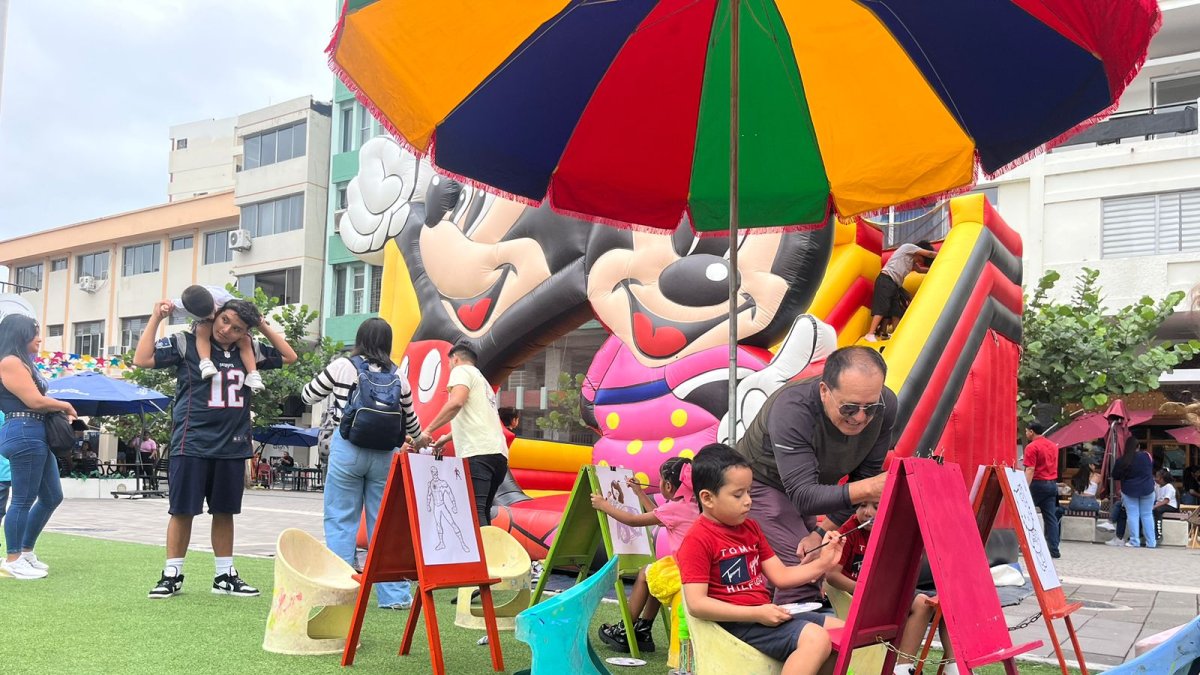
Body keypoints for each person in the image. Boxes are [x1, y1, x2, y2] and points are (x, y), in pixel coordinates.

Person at [134, 297, 295, 599]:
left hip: (232, 443)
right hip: (191, 440)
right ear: (215, 315)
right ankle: (172, 573)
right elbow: (142, 360)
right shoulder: (186, 342)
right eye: (225, 321)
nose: (227, 330)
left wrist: (260, 323)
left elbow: (289, 356)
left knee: (225, 511)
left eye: (237, 328)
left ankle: (224, 574)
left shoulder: (249, 350)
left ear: (245, 332)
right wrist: (156, 317)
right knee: (182, 510)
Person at [734, 346, 892, 606]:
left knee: (811, 554)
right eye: (850, 407)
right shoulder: (791, 407)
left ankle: (771, 630)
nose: (861, 417)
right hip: (760, 483)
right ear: (824, 391)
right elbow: (805, 496)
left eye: (871, 407)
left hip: (812, 486)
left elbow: (860, 483)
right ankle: (804, 639)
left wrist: (820, 531)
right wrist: (870, 487)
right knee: (801, 572)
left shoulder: (887, 406)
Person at [678, 444, 845, 675]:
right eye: (738, 494)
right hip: (737, 624)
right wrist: (756, 613)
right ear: (707, 498)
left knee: (844, 632)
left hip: (762, 616)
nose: (748, 501)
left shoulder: (750, 528)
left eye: (749, 491)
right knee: (816, 638)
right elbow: (697, 604)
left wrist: (825, 562)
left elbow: (782, 576)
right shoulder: (697, 539)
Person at [301, 317, 423, 610]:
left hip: (348, 448)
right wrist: (420, 441)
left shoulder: (344, 365)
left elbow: (308, 395)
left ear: (360, 338)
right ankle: (393, 595)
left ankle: (342, 590)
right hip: (385, 453)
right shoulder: (398, 375)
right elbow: (411, 421)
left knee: (341, 518)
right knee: (381, 523)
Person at [826, 501, 957, 675]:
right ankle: (903, 667)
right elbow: (832, 576)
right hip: (859, 598)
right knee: (922, 603)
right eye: (862, 506)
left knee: (943, 603)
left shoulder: (889, 530)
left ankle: (953, 666)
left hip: (883, 594)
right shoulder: (850, 531)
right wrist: (865, 589)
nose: (867, 512)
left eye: (875, 506)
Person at [591, 457, 697, 654]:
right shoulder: (693, 503)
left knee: (644, 574)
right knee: (655, 574)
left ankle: (624, 629)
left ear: (667, 485)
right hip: (693, 565)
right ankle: (643, 628)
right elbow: (659, 517)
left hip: (684, 568)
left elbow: (632, 520)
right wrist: (639, 492)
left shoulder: (675, 508)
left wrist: (604, 506)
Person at [0, 314, 77, 579]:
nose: (40, 338)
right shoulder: (10, 362)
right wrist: (64, 405)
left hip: (34, 432)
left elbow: (37, 400)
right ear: (20, 335)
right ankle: (12, 559)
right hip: (23, 431)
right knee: (22, 498)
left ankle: (25, 551)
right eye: (35, 333)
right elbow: (34, 401)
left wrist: (56, 405)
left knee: (52, 496)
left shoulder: (24, 362)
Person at [416, 345, 508, 526]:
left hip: (478, 454)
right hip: (498, 455)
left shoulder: (461, 371)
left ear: (455, 359)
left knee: (475, 513)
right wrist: (446, 438)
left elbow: (456, 402)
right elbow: (478, 419)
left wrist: (427, 431)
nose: (450, 367)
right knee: (483, 511)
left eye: (449, 363)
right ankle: (489, 553)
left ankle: (482, 555)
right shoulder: (482, 381)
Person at [178, 285, 264, 392]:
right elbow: (168, 306)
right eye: (207, 314)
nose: (211, 316)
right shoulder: (180, 306)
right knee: (202, 330)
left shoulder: (221, 296)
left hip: (223, 318)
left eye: (212, 311)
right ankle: (206, 362)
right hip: (206, 324)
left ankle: (253, 374)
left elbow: (239, 306)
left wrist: (257, 319)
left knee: (246, 340)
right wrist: (164, 308)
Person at [864, 240, 937, 343]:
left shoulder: (912, 261)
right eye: (920, 258)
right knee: (883, 307)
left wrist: (933, 269)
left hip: (894, 284)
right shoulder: (908, 247)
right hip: (886, 279)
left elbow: (919, 270)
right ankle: (870, 333)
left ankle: (892, 334)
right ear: (919, 252)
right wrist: (941, 256)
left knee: (896, 311)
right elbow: (929, 254)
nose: (919, 261)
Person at [1022, 422, 1061, 559]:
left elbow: (1030, 469)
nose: (1026, 434)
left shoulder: (1031, 447)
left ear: (1031, 432)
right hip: (1051, 484)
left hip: (1037, 484)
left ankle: (1025, 546)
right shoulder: (1052, 446)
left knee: (1026, 515)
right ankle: (1054, 549)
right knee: (1050, 517)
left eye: (1027, 431)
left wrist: (1025, 487)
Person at [1111, 436, 1156, 548]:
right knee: (1147, 515)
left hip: (1129, 490)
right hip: (1147, 489)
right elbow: (1151, 467)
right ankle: (1151, 542)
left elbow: (1115, 475)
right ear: (1138, 446)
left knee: (1132, 515)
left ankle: (1135, 541)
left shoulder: (1121, 460)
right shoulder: (1146, 456)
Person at [1152, 469, 1179, 542]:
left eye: (1157, 477)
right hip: (1160, 504)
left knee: (1157, 511)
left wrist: (1155, 506)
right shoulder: (1157, 486)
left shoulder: (1169, 487)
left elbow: (1166, 500)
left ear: (1162, 478)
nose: (1155, 478)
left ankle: (1158, 533)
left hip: (1170, 505)